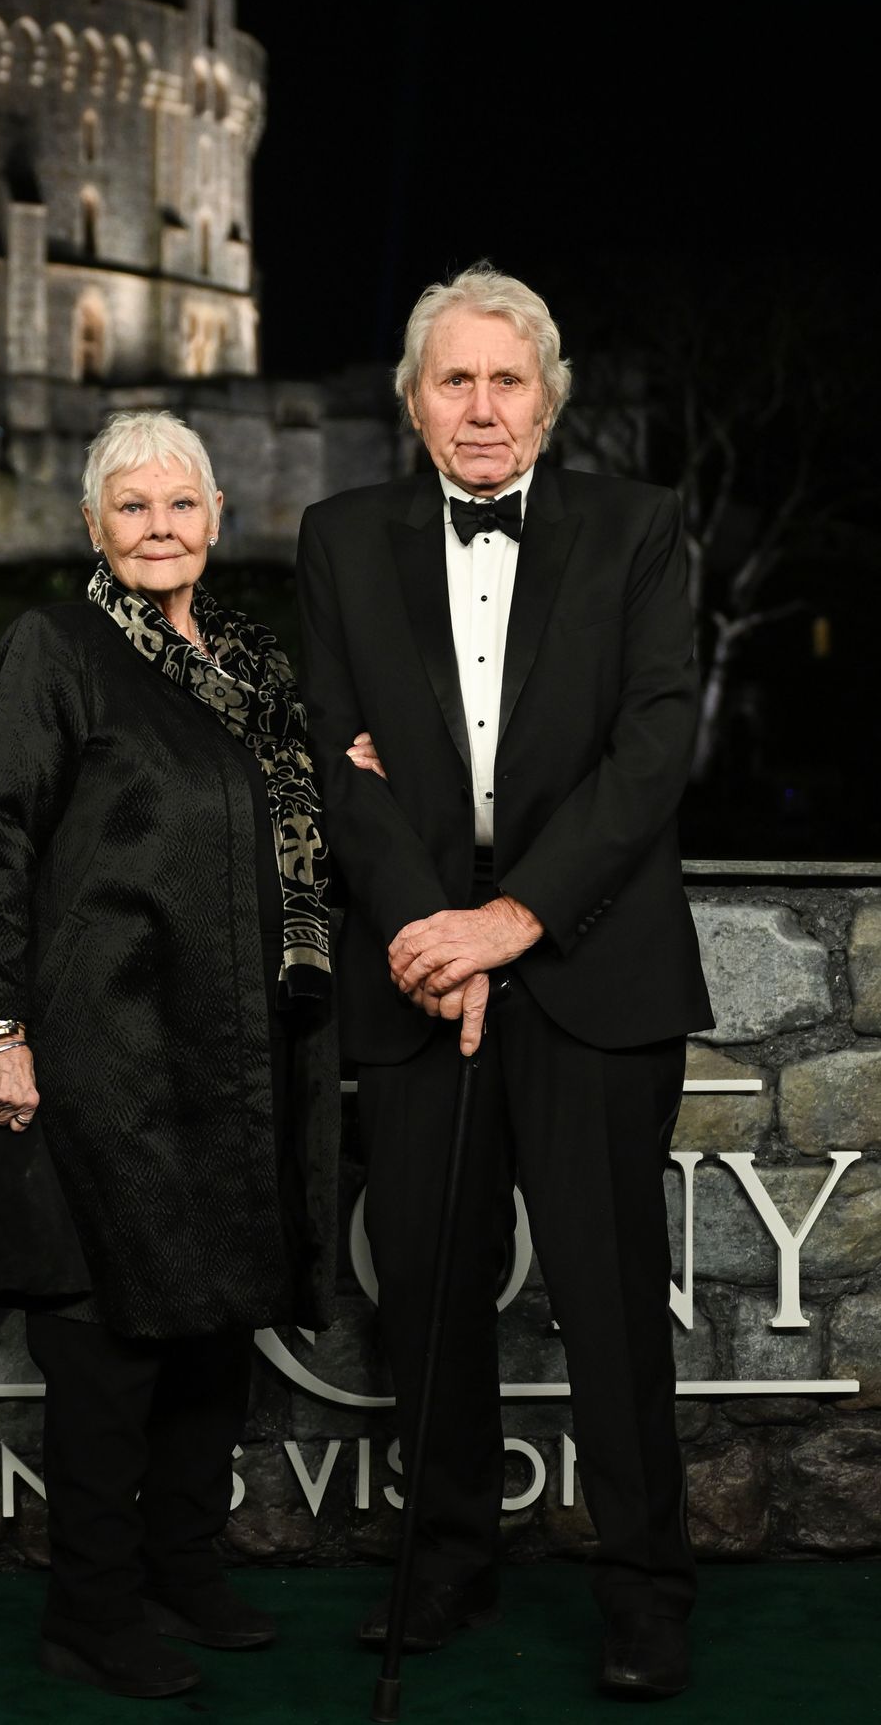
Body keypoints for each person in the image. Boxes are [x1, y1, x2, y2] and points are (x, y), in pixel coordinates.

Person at [296, 264, 713, 1701]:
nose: (481, 407)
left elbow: (654, 754)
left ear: (550, 400)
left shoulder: (642, 529)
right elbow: (332, 760)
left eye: (507, 380)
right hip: (415, 974)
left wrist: (513, 920)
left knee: (608, 1296)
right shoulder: (339, 541)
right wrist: (432, 929)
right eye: (453, 380)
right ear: (414, 404)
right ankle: (447, 1563)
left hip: (592, 969)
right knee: (421, 1294)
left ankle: (647, 1588)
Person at [0, 409, 337, 1701]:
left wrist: (364, 772)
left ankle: (186, 1566)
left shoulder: (255, 669)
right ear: (95, 530)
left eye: (182, 506)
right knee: (108, 1346)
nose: (161, 528)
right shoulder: (55, 647)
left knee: (216, 1331)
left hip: (235, 1054)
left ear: (218, 521)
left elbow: (304, 817)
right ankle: (91, 1610)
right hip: (107, 1047)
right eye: (133, 509)